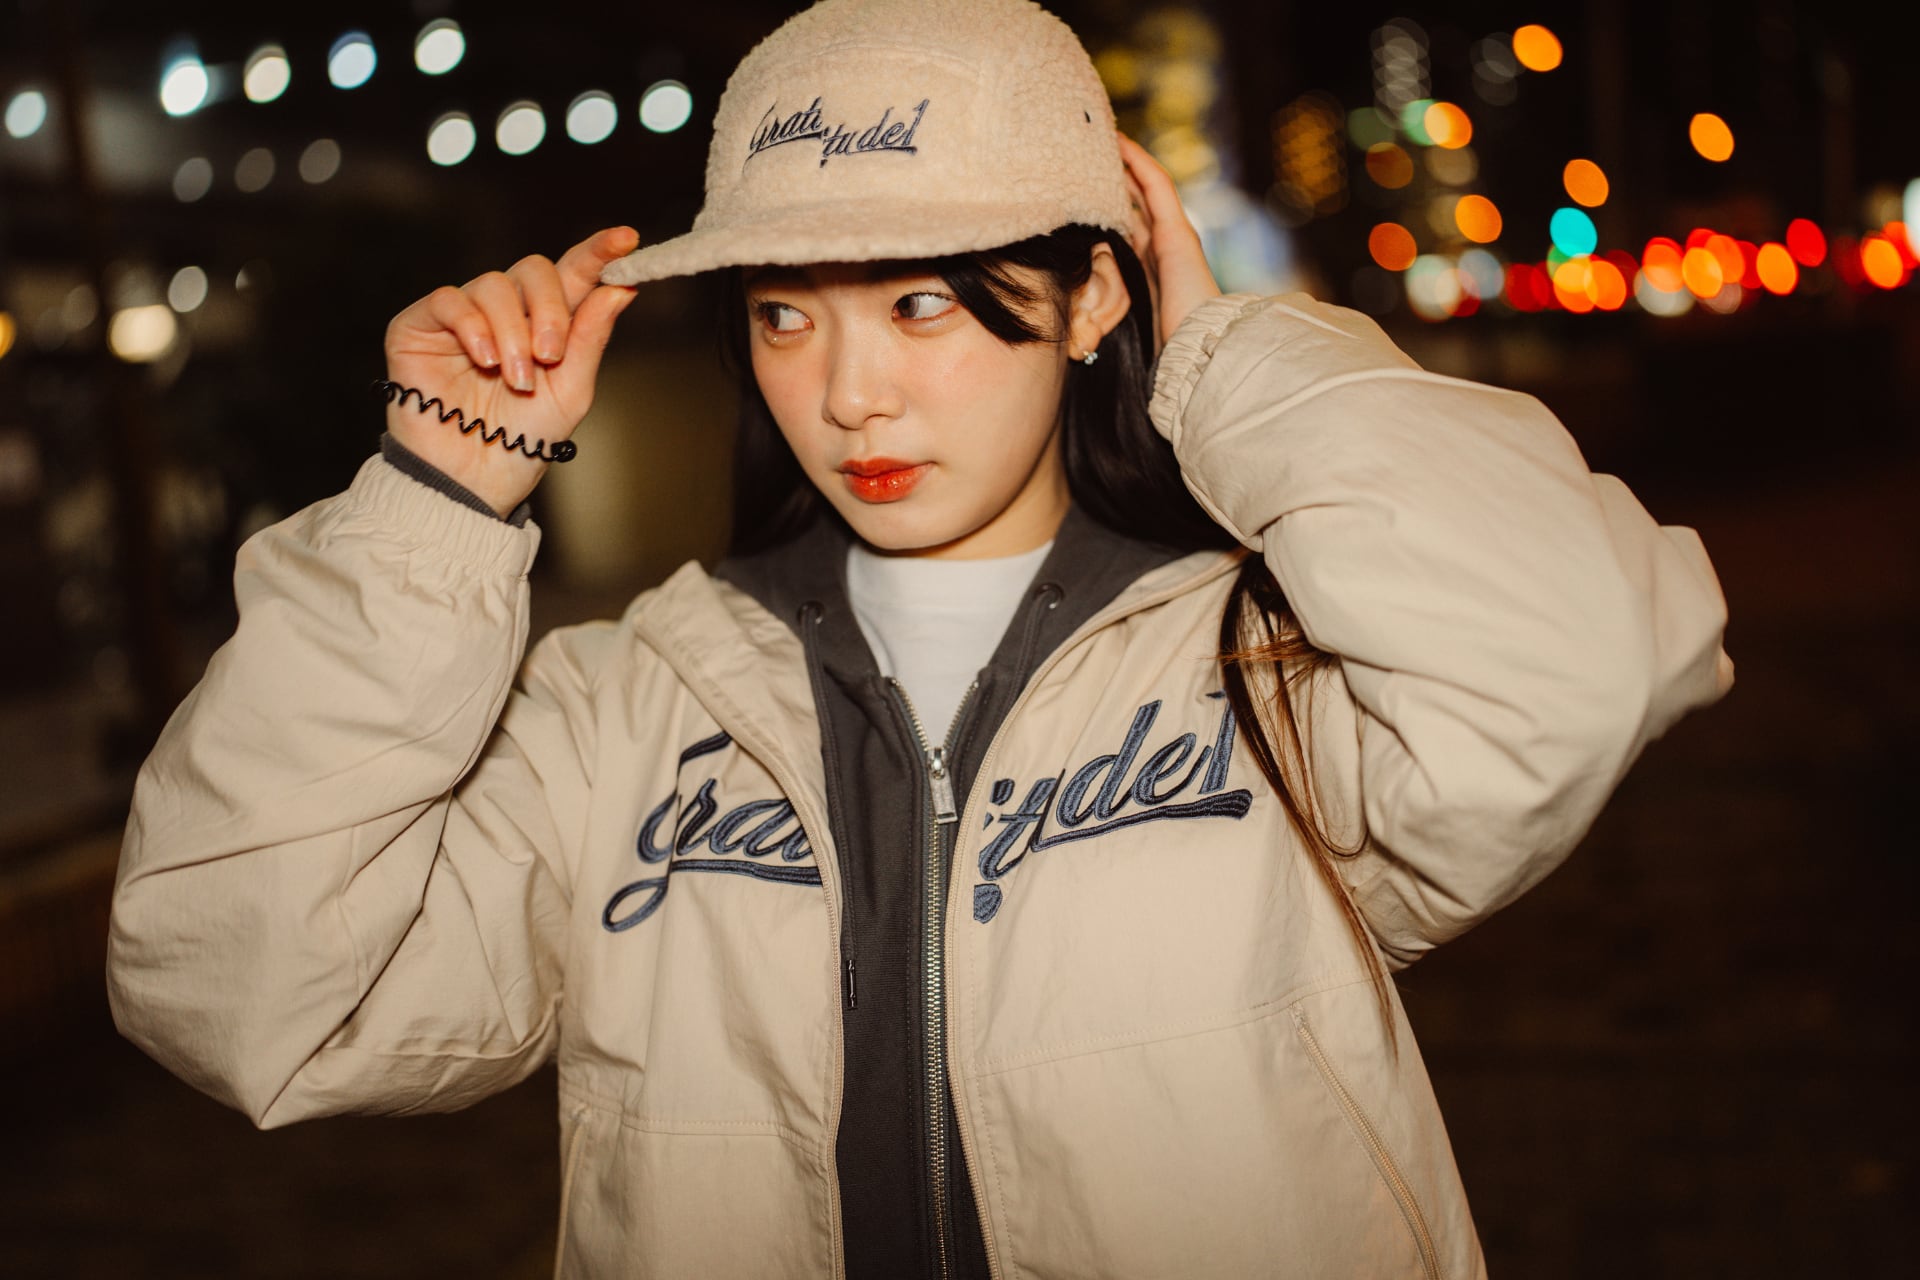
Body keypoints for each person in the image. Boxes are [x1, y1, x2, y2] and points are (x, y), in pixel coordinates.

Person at [105, 1, 1735, 1276]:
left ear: (1093, 298)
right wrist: (436, 503)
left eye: (923, 303)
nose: (847, 394)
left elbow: (1588, 655)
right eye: (785, 314)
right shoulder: (618, 709)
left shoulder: (1269, 667)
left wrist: (1232, 358)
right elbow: (245, 992)